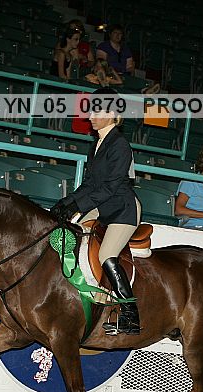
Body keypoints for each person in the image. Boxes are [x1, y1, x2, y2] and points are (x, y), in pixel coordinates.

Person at [51, 88, 142, 335]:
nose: (90, 116)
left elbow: (111, 187)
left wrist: (78, 206)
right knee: (69, 235)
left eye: (96, 111)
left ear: (111, 114)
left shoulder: (120, 145)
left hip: (122, 208)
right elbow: (90, 184)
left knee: (107, 255)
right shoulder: (97, 144)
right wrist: (66, 202)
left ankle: (131, 315)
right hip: (102, 205)